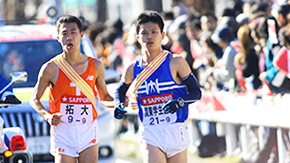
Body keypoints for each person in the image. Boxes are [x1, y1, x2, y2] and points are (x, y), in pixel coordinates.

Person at [114, 10, 201, 163]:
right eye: (145, 33)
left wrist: (179, 102)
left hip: (175, 129)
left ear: (162, 34)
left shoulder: (176, 62)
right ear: (138, 38)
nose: (150, 36)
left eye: (154, 32)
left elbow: (196, 92)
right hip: (150, 131)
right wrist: (119, 104)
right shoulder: (133, 68)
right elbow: (120, 90)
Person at [29, 15, 114, 163]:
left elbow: (105, 97)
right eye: (64, 33)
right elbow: (34, 99)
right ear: (58, 38)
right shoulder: (50, 68)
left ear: (81, 35)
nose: (69, 37)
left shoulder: (96, 66)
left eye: (73, 32)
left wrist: (120, 102)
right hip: (63, 132)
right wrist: (47, 116)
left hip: (87, 130)